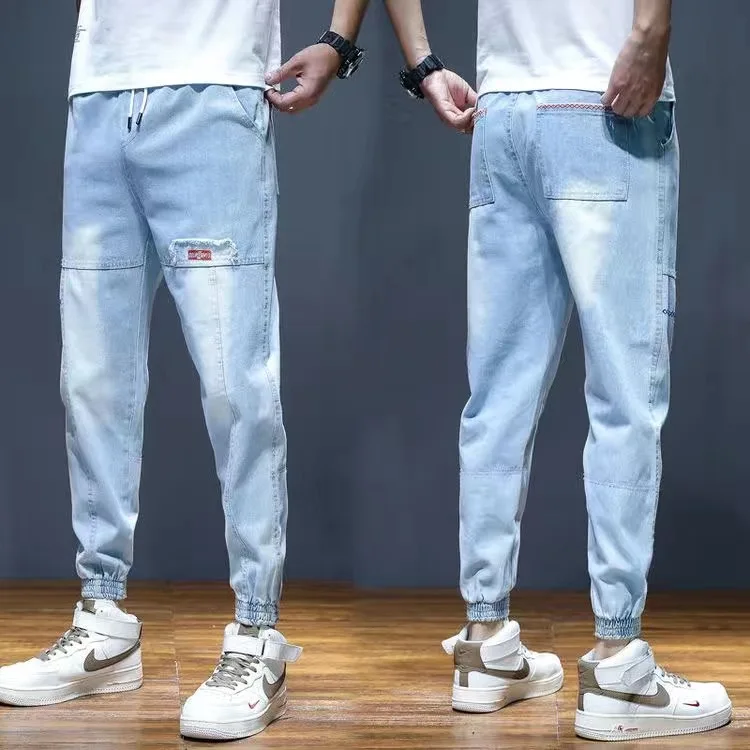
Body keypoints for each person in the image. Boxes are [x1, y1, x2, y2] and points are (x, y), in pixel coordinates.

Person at [0, 0, 369, 742]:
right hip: (98, 96)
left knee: (236, 385)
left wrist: (340, 39)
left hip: (212, 93)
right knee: (92, 382)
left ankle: (256, 633)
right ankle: (103, 618)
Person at [385, 0, 732, 741]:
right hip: (602, 91)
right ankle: (618, 667)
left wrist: (422, 65)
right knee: (624, 390)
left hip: (503, 108)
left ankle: (485, 647)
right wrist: (651, 29)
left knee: (498, 394)